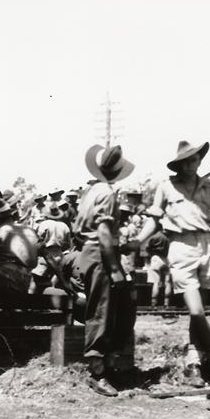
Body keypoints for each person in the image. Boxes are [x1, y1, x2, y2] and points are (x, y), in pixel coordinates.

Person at [134, 140, 210, 388]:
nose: (191, 164)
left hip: (206, 248)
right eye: (186, 161)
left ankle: (193, 365)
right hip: (181, 246)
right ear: (178, 164)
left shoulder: (208, 186)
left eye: (195, 159)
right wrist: (137, 241)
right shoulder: (166, 187)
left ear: (200, 161)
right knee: (196, 311)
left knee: (198, 315)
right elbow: (154, 220)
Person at [71, 144, 138, 397]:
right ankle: (98, 373)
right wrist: (115, 269)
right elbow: (103, 234)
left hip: (91, 253)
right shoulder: (107, 194)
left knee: (112, 310)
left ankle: (107, 368)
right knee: (102, 312)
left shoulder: (91, 191)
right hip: (101, 254)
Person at [0, 199, 72, 315]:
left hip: (5, 282)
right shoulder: (30, 231)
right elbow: (48, 256)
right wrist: (64, 282)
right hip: (24, 280)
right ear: (12, 215)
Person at [29, 203, 72, 294]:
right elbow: (68, 245)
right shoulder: (64, 226)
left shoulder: (44, 224)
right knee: (53, 283)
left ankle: (30, 303)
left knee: (34, 282)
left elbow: (37, 241)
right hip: (59, 255)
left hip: (45, 255)